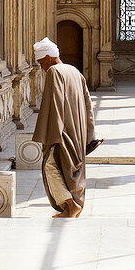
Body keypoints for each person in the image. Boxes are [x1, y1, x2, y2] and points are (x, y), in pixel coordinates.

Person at [32, 37, 96, 218]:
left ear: (48, 57)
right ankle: (69, 208)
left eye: (41, 62)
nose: (41, 67)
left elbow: (54, 104)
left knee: (49, 166)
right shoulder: (75, 71)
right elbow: (88, 105)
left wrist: (51, 135)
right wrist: (89, 134)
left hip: (61, 131)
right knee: (66, 168)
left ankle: (70, 204)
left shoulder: (54, 71)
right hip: (77, 130)